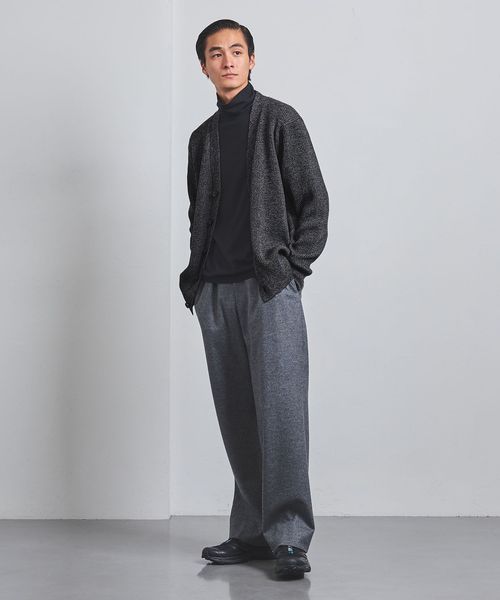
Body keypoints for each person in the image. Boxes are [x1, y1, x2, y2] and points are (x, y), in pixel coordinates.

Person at [179, 18, 329, 581]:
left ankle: (288, 536)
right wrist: (198, 279)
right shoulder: (202, 139)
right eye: (216, 54)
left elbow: (314, 202)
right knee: (237, 416)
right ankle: (250, 531)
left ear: (252, 59)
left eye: (237, 51)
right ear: (203, 66)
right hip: (214, 291)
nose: (228, 61)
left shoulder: (280, 120)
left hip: (269, 289)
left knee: (282, 413)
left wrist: (292, 268)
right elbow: (198, 212)